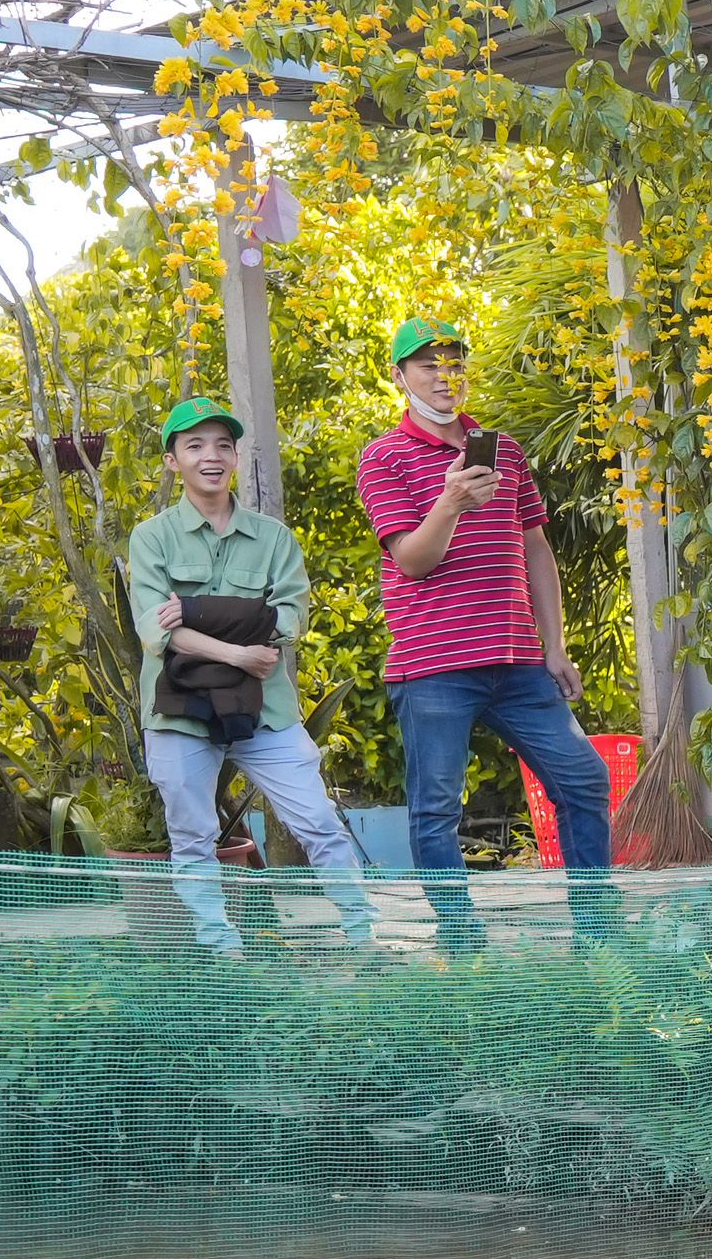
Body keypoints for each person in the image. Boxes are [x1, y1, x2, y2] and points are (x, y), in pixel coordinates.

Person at [353, 316, 608, 947]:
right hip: (434, 666)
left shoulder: (505, 451)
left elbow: (537, 550)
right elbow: (411, 559)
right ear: (399, 376)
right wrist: (450, 502)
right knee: (436, 810)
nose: (444, 375)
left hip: (520, 662)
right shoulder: (383, 456)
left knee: (584, 780)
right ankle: (462, 944)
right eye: (428, 364)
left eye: (454, 362)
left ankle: (601, 939)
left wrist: (557, 648)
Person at [125, 396, 378, 955]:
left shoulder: (273, 538)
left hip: (265, 709)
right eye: (194, 446)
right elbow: (157, 634)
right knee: (192, 838)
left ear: (235, 456)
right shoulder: (151, 538)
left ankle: (364, 939)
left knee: (318, 823)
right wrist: (240, 651)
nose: (210, 456)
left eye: (222, 445)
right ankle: (221, 952)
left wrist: (193, 611)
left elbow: (288, 621)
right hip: (180, 711)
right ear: (173, 462)